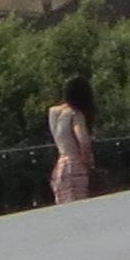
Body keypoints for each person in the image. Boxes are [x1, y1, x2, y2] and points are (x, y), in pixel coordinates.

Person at [46, 73, 98, 204]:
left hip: (60, 165)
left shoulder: (53, 112)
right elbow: (83, 140)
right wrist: (87, 162)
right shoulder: (75, 114)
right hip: (75, 165)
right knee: (80, 204)